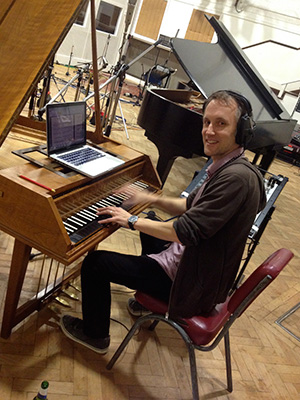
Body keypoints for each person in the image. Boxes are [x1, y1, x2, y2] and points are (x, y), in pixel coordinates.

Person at [60, 90, 266, 354]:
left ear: (241, 131)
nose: (209, 131)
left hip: (189, 285)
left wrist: (130, 219)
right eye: (206, 122)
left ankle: (95, 335)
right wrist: (149, 198)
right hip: (196, 264)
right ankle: (146, 300)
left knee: (96, 264)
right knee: (151, 222)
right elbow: (187, 205)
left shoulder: (234, 179)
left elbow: (184, 231)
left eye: (221, 124)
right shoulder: (234, 167)